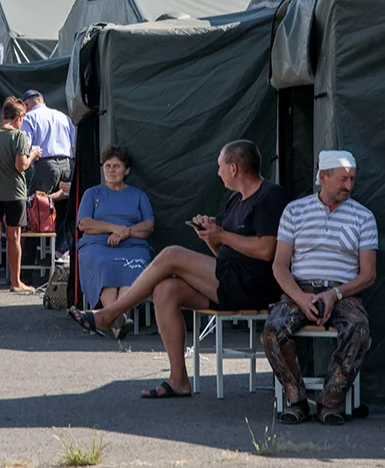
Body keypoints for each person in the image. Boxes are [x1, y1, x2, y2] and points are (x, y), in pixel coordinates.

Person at [68, 141, 289, 398]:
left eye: (219, 167)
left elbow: (266, 250)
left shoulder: (270, 195)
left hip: (255, 285)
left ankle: (108, 315)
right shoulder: (234, 199)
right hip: (229, 280)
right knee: (165, 289)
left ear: (233, 168)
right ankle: (178, 380)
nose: (217, 173)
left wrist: (222, 235)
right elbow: (227, 254)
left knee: (172, 255)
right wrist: (212, 239)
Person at [261, 150, 378, 425]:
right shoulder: (295, 211)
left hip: (343, 291)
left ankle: (330, 402)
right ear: (322, 177)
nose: (348, 185)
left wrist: (335, 294)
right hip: (300, 288)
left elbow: (368, 274)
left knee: (359, 329)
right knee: (273, 329)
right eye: (342, 179)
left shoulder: (363, 217)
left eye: (352, 179)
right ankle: (297, 400)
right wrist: (301, 298)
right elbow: (279, 265)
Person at [73, 146, 154, 330]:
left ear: (127, 170)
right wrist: (113, 228)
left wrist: (124, 232)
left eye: (116, 166)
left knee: (134, 263)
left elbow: (148, 226)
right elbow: (84, 224)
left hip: (132, 245)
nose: (111, 170)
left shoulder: (138, 195)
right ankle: (118, 318)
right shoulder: (92, 194)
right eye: (107, 166)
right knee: (102, 262)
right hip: (97, 245)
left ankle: (112, 318)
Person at [0, 97, 41, 292]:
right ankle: (16, 282)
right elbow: (21, 166)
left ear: (3, 114)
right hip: (15, 194)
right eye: (23, 117)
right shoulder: (19, 136)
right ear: (18, 116)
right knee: (14, 237)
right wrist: (33, 154)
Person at [20, 89, 75, 258]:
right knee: (65, 210)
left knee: (35, 212)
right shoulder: (63, 116)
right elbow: (74, 145)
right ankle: (59, 253)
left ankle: (29, 267)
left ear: (27, 105)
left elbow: (26, 145)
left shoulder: (29, 118)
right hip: (67, 165)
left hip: (45, 167)